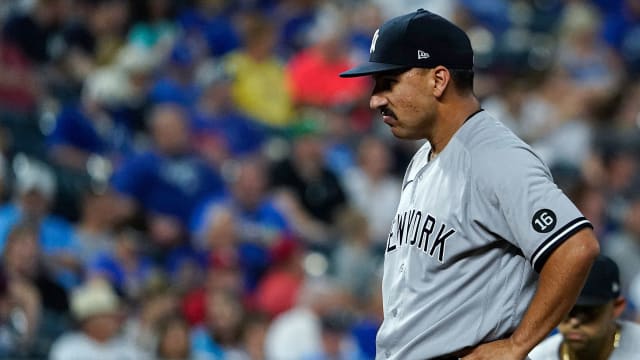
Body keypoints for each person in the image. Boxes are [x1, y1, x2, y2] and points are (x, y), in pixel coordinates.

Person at [339, 9, 600, 359]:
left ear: (438, 79)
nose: (375, 98)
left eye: (389, 82)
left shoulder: (496, 157)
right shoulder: (423, 157)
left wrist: (516, 345)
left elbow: (576, 247)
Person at [529, 255, 640, 359]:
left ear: (616, 307)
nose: (574, 322)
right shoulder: (537, 357)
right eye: (567, 310)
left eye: (588, 311)